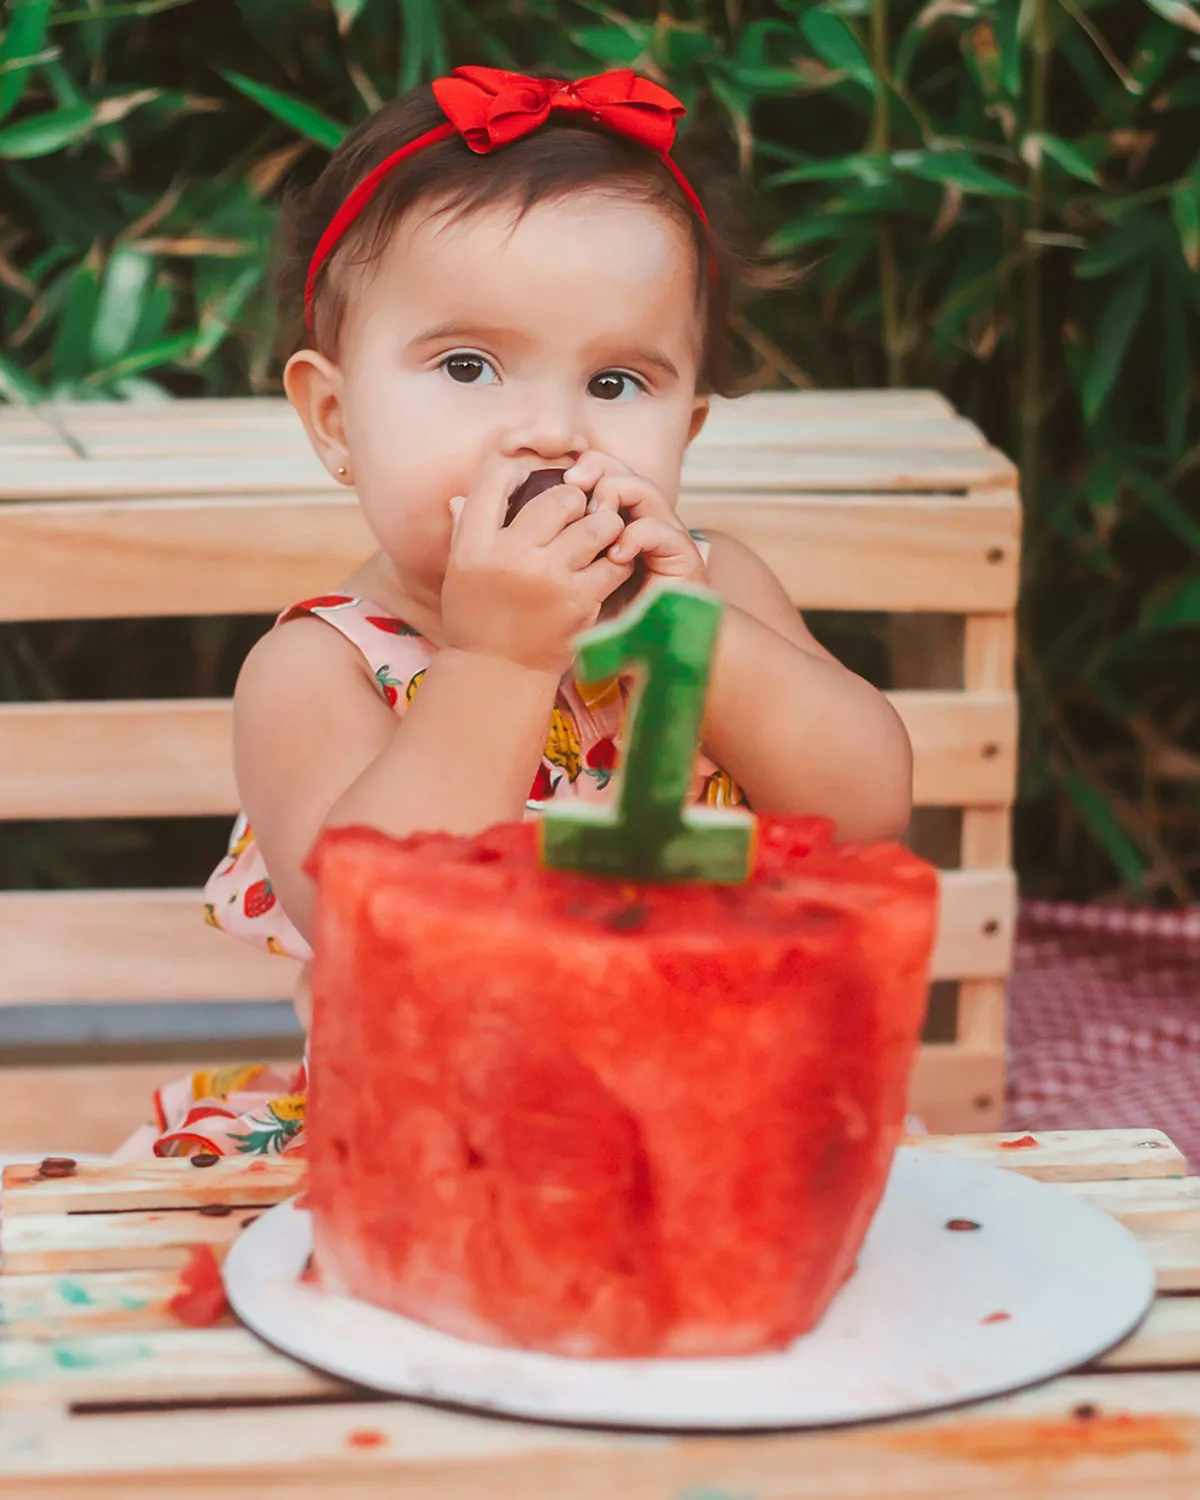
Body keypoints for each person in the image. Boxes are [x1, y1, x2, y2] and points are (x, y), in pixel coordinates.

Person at [124, 67, 912, 1159]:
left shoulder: (715, 585)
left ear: (684, 432)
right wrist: (497, 657)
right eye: (467, 365)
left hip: (714, 1121)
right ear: (336, 418)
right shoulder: (325, 666)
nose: (550, 431)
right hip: (436, 1144)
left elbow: (866, 809)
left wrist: (696, 643)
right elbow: (375, 928)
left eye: (618, 384)